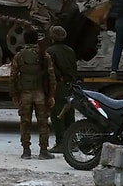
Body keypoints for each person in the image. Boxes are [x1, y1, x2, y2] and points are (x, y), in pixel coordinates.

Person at [9, 28, 57, 160]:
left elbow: (13, 76)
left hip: (25, 93)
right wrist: (52, 95)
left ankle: (26, 150)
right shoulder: (44, 55)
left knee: (25, 122)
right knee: (43, 123)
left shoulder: (19, 55)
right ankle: (43, 150)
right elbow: (51, 76)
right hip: (40, 93)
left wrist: (14, 94)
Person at [45, 25, 77, 154]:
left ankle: (60, 143)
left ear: (52, 37)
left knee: (57, 115)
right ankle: (72, 142)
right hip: (71, 85)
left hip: (59, 86)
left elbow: (51, 70)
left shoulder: (50, 51)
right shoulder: (70, 50)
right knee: (69, 114)